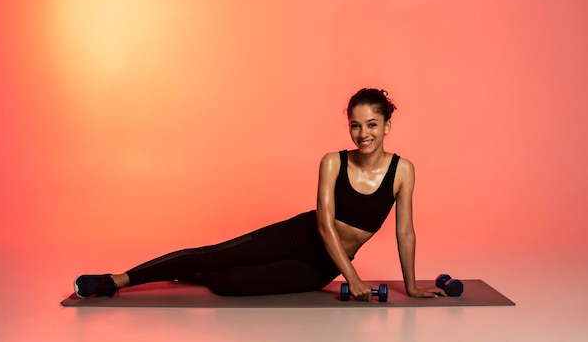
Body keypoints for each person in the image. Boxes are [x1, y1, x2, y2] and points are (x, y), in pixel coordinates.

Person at [73, 88, 446, 300]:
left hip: (321, 266)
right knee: (216, 253)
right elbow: (325, 225)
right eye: (355, 125)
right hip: (301, 234)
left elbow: (405, 232)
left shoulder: (403, 171)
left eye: (372, 125)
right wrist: (354, 278)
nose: (363, 133)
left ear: (387, 126)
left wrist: (412, 287)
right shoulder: (333, 161)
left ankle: (200, 275)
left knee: (233, 284)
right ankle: (115, 280)